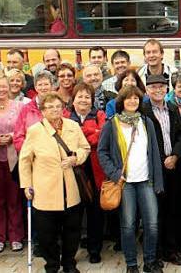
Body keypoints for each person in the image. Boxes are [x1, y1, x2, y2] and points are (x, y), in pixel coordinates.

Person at [19, 92, 90, 273]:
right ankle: (51, 263)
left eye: (57, 106)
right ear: (42, 110)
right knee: (46, 233)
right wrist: (27, 184)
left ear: (63, 109)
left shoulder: (73, 126)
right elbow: (25, 160)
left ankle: (69, 263)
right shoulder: (35, 130)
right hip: (45, 190)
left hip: (70, 188)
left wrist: (76, 159)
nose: (54, 110)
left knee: (72, 230)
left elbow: (85, 148)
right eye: (49, 107)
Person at [98, 86, 166, 273]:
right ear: (122, 101)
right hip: (125, 183)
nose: (133, 101)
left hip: (146, 181)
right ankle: (131, 265)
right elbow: (102, 152)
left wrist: (158, 181)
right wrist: (114, 173)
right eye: (128, 98)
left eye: (136, 98)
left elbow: (154, 153)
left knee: (152, 224)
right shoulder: (112, 124)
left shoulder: (146, 122)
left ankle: (150, 262)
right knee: (128, 225)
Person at [144, 74, 181, 267]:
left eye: (161, 87)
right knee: (155, 213)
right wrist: (162, 159)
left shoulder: (172, 108)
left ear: (166, 90)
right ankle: (155, 252)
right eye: (153, 87)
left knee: (173, 210)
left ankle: (171, 250)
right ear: (147, 90)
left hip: (173, 167)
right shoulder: (142, 110)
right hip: (153, 168)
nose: (157, 90)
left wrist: (175, 156)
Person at [67, 83, 108, 264]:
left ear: (92, 100)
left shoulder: (99, 115)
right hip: (72, 169)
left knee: (95, 213)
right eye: (79, 96)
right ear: (73, 99)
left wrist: (81, 135)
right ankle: (70, 252)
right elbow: (66, 140)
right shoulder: (65, 116)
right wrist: (91, 132)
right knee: (73, 213)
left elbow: (102, 136)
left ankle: (94, 249)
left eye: (87, 97)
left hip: (95, 170)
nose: (83, 100)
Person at [0, 77, 24, 254]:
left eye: (4, 86)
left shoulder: (19, 107)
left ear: (10, 88)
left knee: (14, 199)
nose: (1, 90)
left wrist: (11, 136)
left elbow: (23, 128)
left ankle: (16, 236)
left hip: (13, 158)